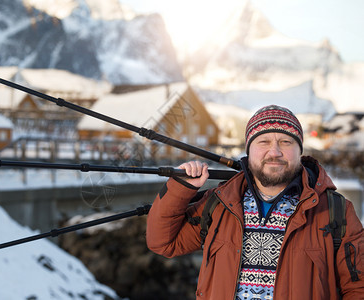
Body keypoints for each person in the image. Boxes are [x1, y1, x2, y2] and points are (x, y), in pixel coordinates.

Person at [146, 105, 363, 299]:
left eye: (286, 142)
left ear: (300, 152)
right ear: (249, 151)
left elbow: (358, 288)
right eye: (264, 142)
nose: (275, 152)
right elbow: (163, 242)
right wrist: (180, 188)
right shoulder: (219, 203)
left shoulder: (335, 211)